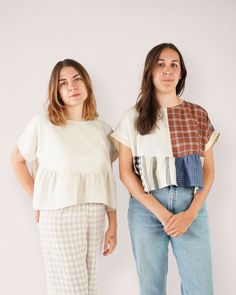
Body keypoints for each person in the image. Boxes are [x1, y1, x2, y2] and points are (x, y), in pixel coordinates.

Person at [111, 43, 219, 295]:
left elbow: (210, 171)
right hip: (146, 210)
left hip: (190, 207)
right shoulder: (132, 117)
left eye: (174, 65)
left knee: (201, 289)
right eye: (160, 64)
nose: (167, 71)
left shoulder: (198, 114)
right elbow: (125, 172)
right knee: (151, 289)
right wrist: (161, 213)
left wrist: (191, 213)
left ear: (181, 73)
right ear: (150, 71)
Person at [11, 59, 118, 295]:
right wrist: (37, 198)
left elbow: (106, 178)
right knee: (71, 289)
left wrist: (113, 224)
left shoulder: (102, 129)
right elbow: (17, 160)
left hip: (95, 214)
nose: (72, 86)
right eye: (63, 83)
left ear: (86, 83)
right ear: (56, 91)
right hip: (59, 215)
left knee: (89, 288)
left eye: (77, 79)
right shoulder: (43, 124)